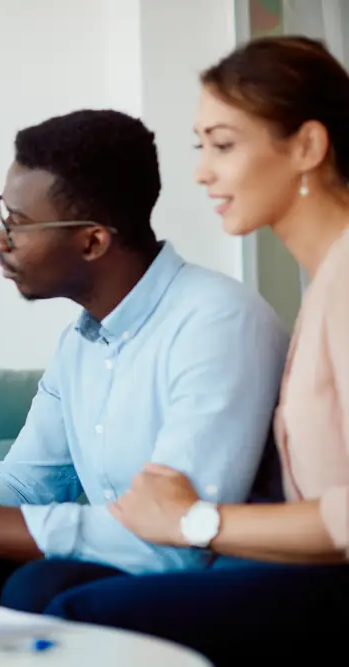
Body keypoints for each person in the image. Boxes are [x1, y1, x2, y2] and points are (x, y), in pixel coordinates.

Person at [0, 109, 290, 611]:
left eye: (16, 224)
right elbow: (27, 483)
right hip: (131, 561)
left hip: (220, 575)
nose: (0, 238)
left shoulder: (217, 322)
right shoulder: (80, 343)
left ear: (91, 241)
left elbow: (176, 542)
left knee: (40, 587)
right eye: (3, 215)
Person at [36, 36, 349, 667]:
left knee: (80, 618)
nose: (203, 171)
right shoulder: (324, 284)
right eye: (200, 146)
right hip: (313, 573)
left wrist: (196, 522)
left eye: (225, 145)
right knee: (60, 593)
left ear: (309, 147)